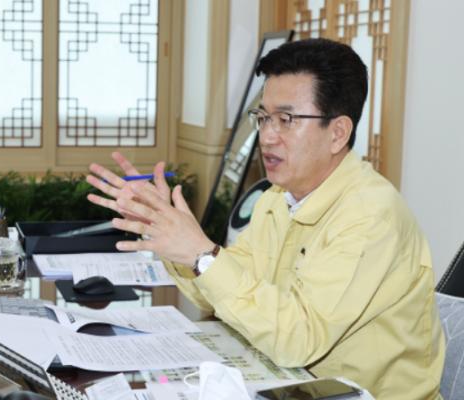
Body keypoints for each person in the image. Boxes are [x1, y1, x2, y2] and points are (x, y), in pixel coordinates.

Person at [85, 38, 445, 399]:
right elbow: (222, 294)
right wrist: (168, 234)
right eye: (263, 117)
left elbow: (299, 339)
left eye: (286, 120)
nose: (267, 136)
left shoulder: (369, 216)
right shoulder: (276, 198)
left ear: (337, 133)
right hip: (288, 386)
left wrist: (202, 254)